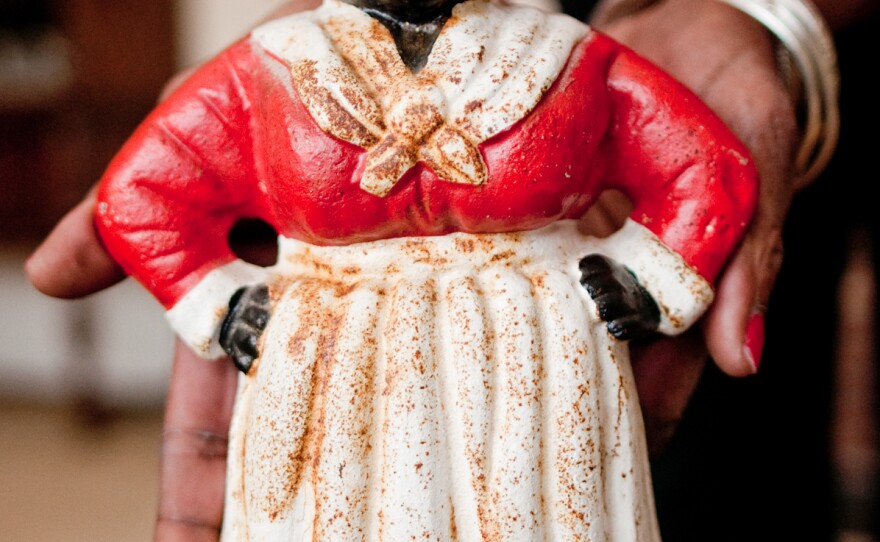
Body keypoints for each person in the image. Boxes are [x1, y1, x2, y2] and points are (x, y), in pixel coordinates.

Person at [21, 0, 867, 539]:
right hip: (331, 350)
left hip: (544, 351)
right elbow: (142, 193)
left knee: (706, 497)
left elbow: (700, 163)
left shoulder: (571, 57)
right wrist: (217, 299)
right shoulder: (269, 67)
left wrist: (651, 274)